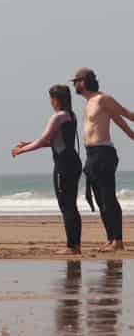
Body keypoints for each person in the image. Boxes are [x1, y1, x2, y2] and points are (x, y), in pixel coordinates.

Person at [12, 85, 83, 254]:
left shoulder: (57, 117)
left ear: (56, 100)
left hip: (63, 165)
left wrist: (22, 150)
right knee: (71, 205)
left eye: (51, 99)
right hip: (73, 162)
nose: (50, 102)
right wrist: (29, 144)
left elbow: (44, 139)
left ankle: (72, 247)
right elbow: (52, 141)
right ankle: (75, 245)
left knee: (66, 205)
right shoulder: (71, 115)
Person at [71, 68, 134, 252]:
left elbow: (125, 114)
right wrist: (132, 135)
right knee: (100, 200)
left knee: (108, 197)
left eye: (76, 81)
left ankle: (118, 240)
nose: (75, 85)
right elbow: (117, 120)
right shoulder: (89, 102)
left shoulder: (102, 99)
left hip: (103, 153)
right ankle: (110, 238)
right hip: (91, 154)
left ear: (84, 81)